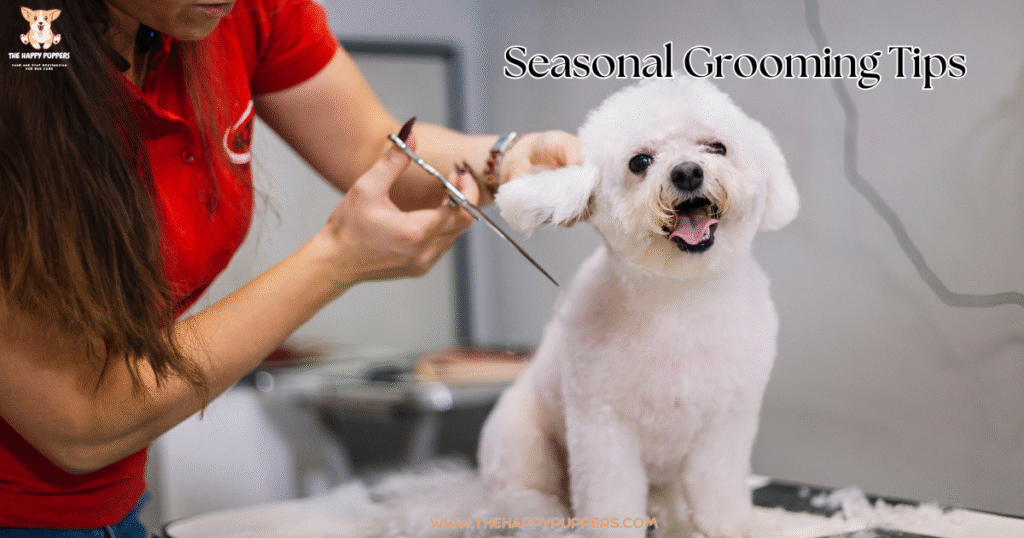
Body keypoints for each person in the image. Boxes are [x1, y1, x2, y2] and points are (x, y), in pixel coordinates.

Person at [0, 0, 580, 534]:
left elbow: (373, 152)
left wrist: (505, 159)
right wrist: (335, 262)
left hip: (118, 502)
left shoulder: (241, 12)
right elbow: (80, 424)